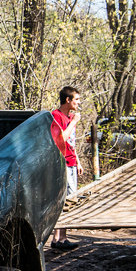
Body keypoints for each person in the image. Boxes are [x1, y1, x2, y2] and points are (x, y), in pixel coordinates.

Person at [51, 87, 81, 250]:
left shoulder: (69, 117)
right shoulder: (57, 116)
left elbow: (71, 143)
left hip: (71, 163)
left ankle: (62, 237)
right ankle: (58, 239)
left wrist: (78, 161)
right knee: (64, 201)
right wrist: (74, 122)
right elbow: (61, 138)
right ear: (68, 100)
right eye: (76, 99)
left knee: (69, 200)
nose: (78, 103)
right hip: (62, 164)